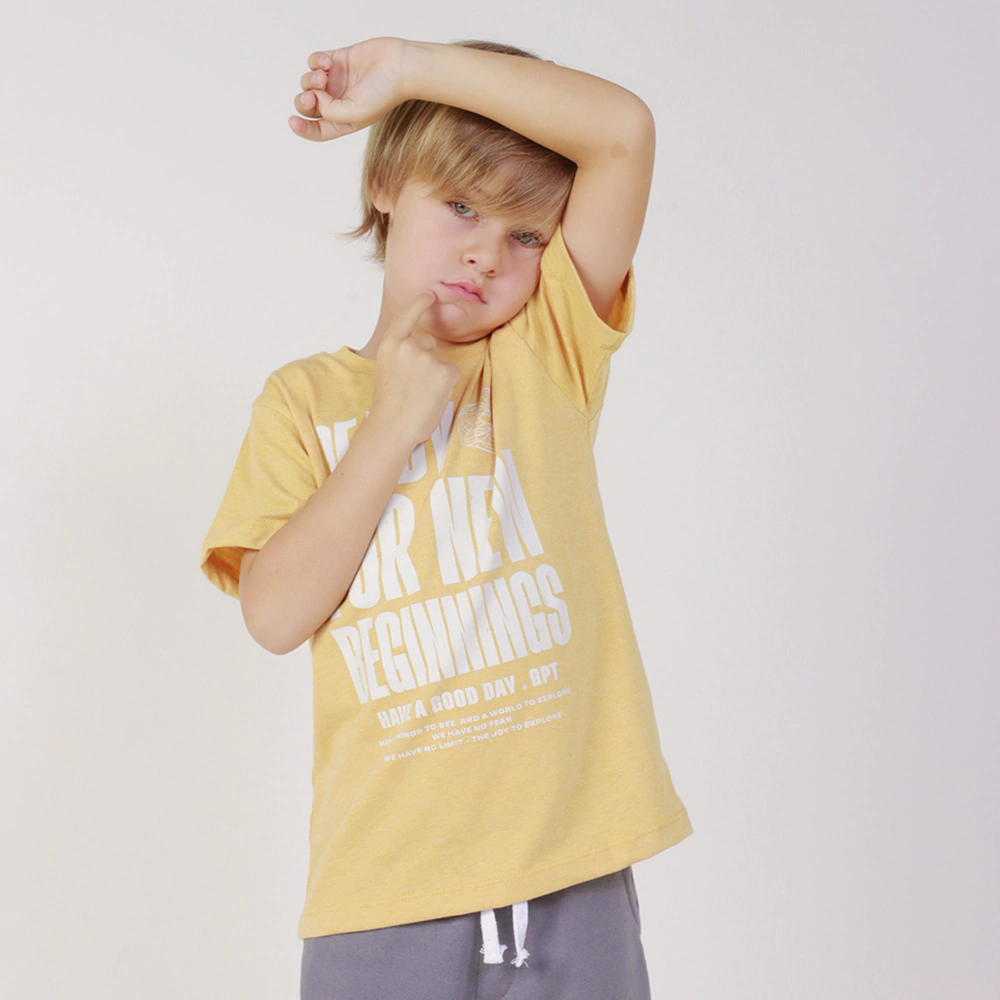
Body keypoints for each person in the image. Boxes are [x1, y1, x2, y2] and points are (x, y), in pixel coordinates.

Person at [200, 36, 693, 1000]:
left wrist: (409, 70)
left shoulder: (545, 354)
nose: (486, 252)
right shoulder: (302, 402)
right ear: (386, 184)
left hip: (571, 879)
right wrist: (391, 424)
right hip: (383, 896)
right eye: (461, 206)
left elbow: (623, 133)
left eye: (527, 236)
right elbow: (273, 615)